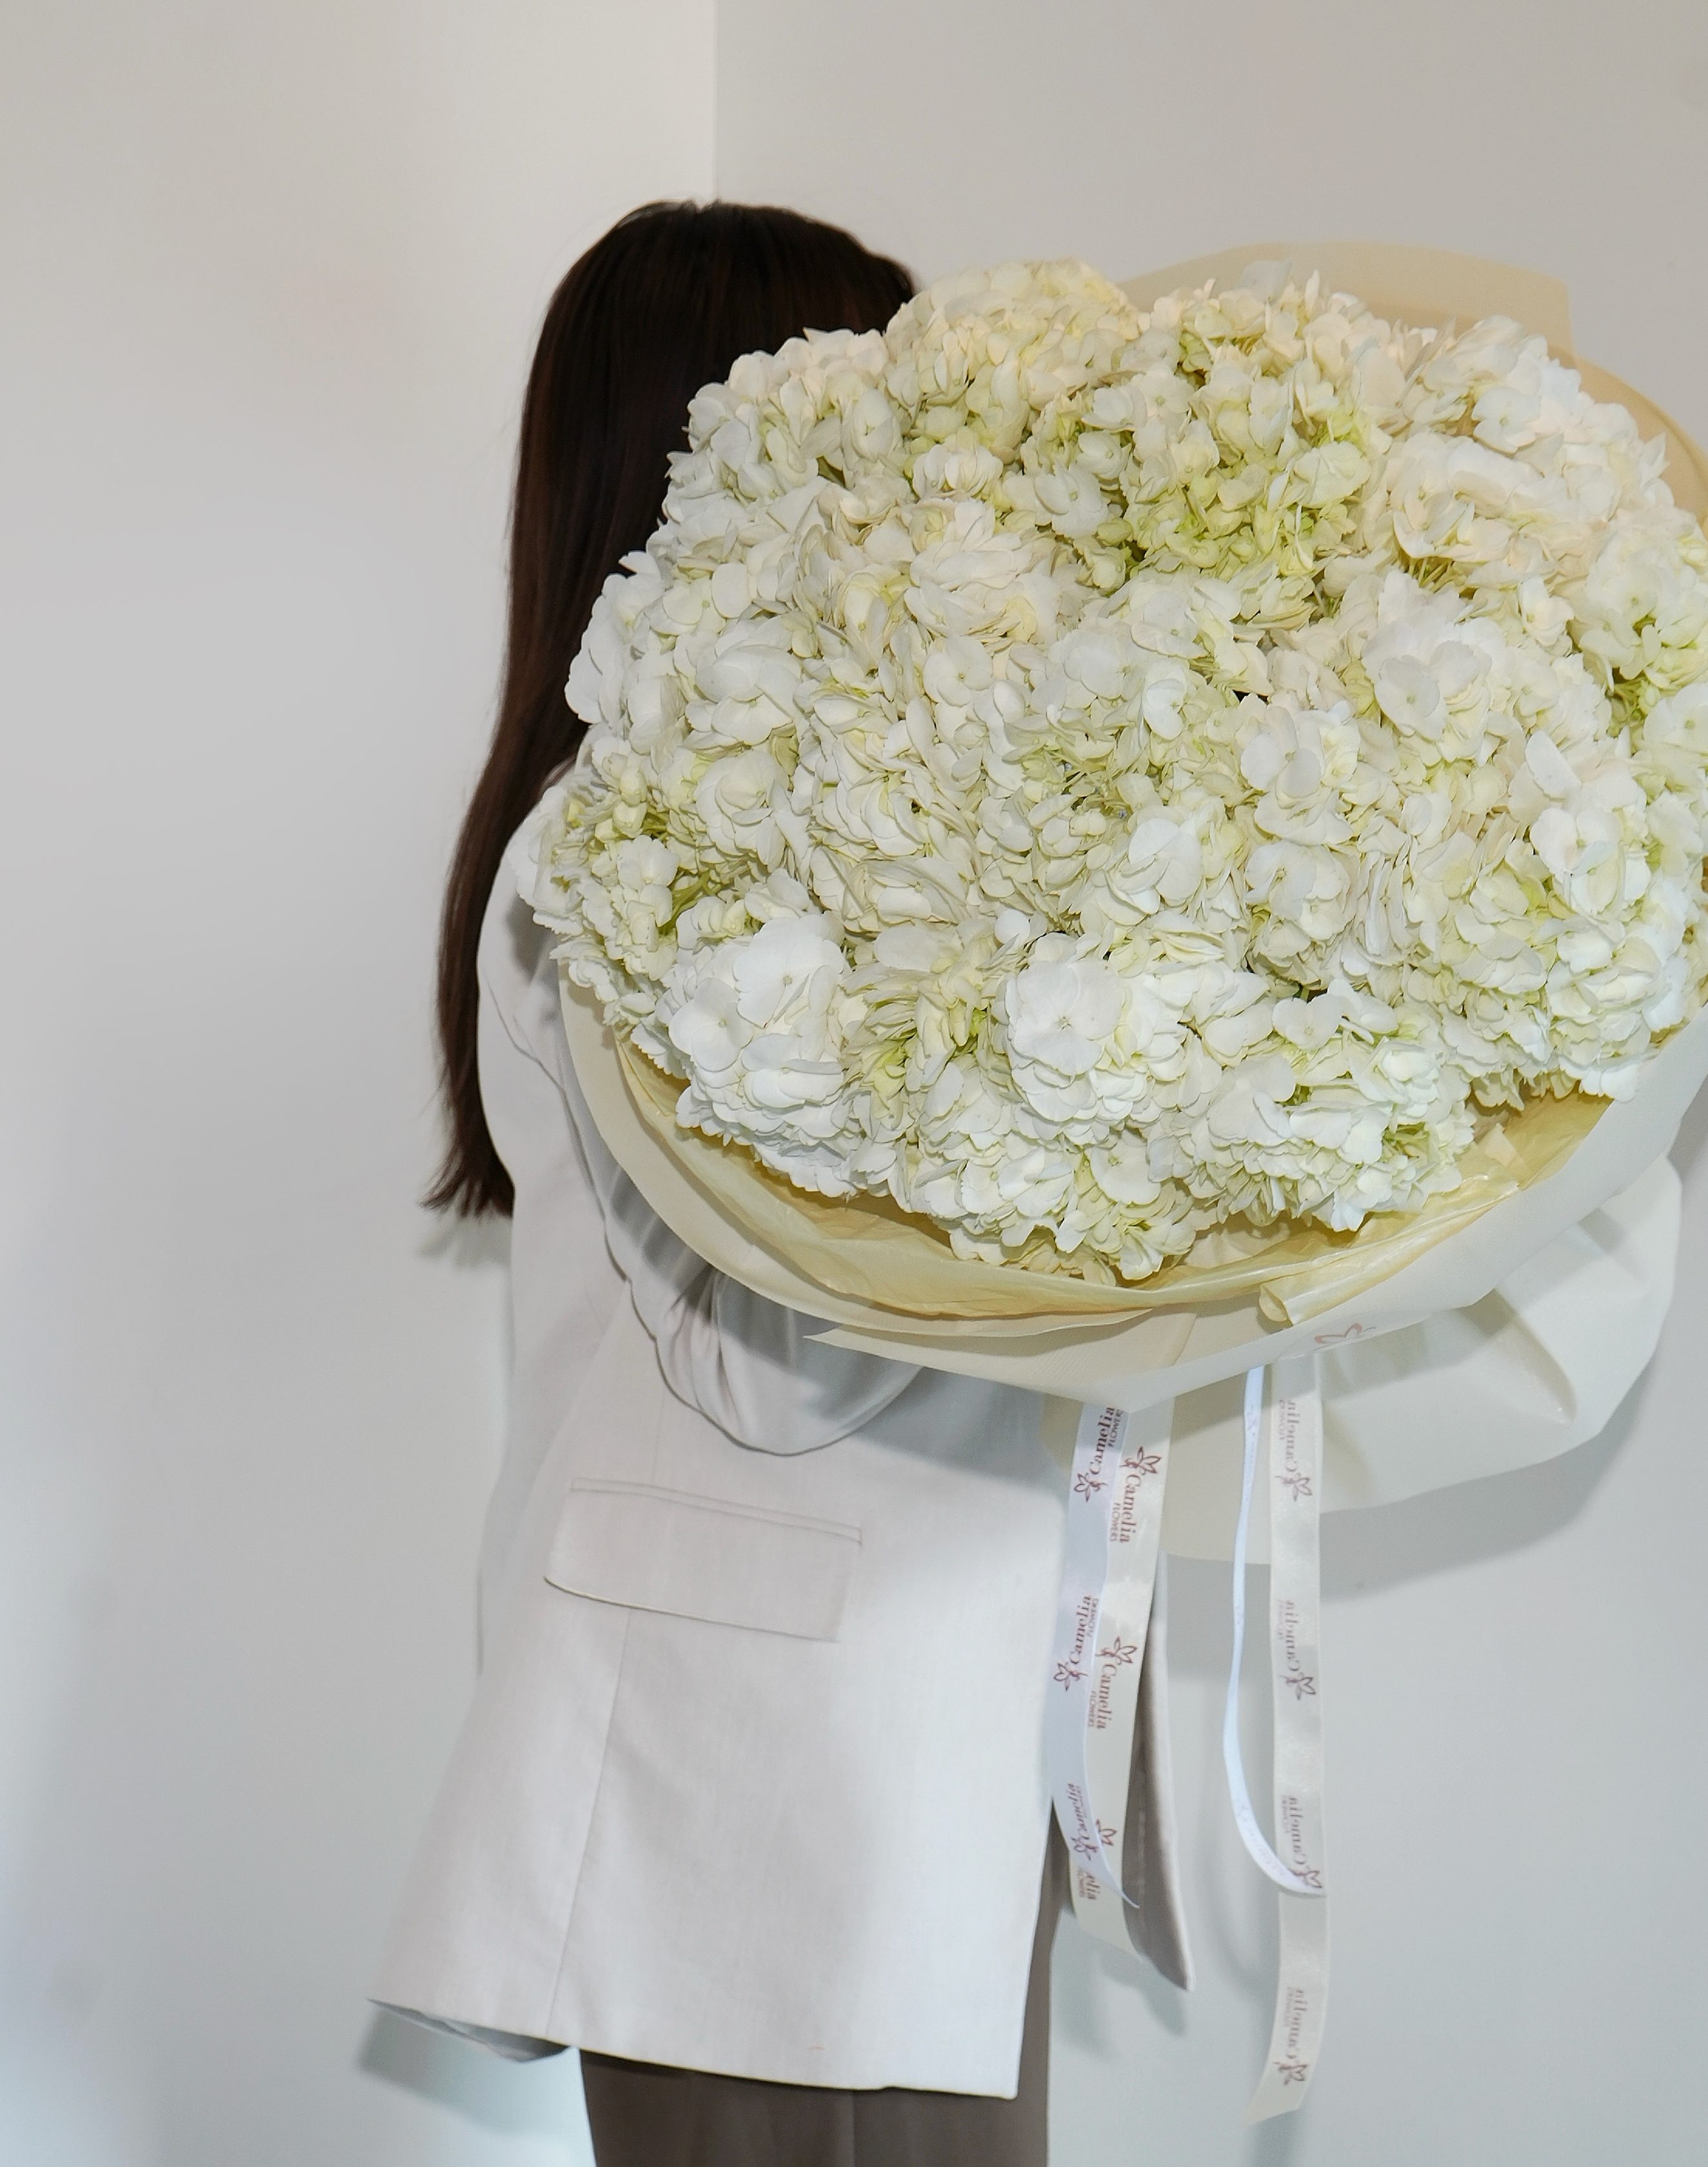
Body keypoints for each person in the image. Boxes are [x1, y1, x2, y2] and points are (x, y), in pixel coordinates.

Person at [375, 201, 1183, 2167]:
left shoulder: (790, 819)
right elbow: (773, 1350)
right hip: (766, 1773)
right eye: (874, 409)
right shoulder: (630, 848)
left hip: (875, 1746)